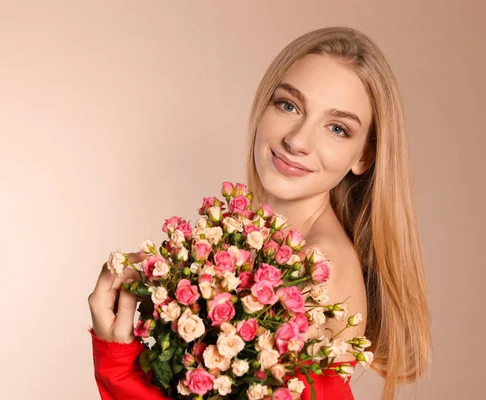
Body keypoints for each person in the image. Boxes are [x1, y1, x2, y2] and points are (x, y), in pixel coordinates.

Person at [87, 26, 431, 400]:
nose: (297, 141)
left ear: (364, 155)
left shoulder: (320, 271)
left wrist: (118, 364)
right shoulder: (249, 244)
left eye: (337, 128)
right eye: (288, 105)